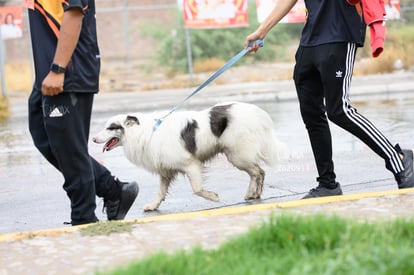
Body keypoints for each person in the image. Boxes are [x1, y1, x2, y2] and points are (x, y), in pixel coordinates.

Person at [245, 0, 414, 198]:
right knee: (311, 113)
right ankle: (328, 184)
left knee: (339, 110)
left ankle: (398, 158)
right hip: (310, 39)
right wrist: (262, 30)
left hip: (340, 33)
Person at [27, 0, 139, 225]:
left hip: (68, 71)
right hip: (48, 73)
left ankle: (84, 218)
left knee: (69, 147)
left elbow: (74, 14)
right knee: (45, 138)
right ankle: (112, 189)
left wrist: (58, 68)